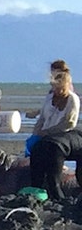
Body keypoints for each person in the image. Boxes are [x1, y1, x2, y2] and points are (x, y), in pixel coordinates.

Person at [28, 61, 80, 197]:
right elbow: (43, 118)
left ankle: (59, 198)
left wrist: (49, 132)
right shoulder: (50, 97)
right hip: (44, 137)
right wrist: (36, 134)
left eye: (60, 88)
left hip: (61, 139)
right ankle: (36, 192)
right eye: (55, 88)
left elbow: (69, 123)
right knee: (35, 161)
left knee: (53, 177)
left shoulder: (72, 99)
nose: (57, 91)